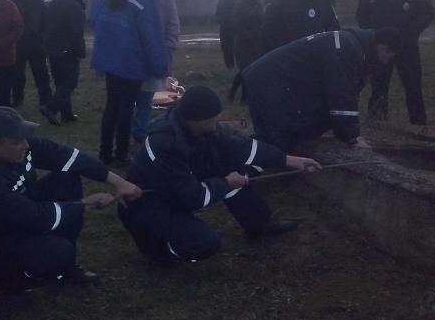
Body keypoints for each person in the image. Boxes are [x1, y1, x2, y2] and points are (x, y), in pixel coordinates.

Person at [118, 86, 321, 266]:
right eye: (215, 115)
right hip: (148, 202)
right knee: (205, 243)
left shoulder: (200, 130)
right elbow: (190, 197)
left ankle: (259, 225)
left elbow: (240, 147)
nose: (220, 118)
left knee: (233, 168)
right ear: (198, 119)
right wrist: (226, 183)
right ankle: (159, 252)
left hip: (181, 186)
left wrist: (288, 160)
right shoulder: (163, 145)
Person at [0, 107, 143, 292]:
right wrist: (86, 204)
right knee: (59, 250)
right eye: (18, 141)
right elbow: (37, 216)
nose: (26, 145)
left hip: (22, 214)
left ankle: (64, 268)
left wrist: (118, 182)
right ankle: (11, 279)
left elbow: (67, 156)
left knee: (67, 177)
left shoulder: (6, 145)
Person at [242, 27, 401, 151]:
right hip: (269, 79)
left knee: (292, 135)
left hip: (272, 77)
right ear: (383, 47)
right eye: (389, 56)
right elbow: (341, 94)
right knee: (276, 138)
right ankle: (243, 176)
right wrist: (352, 137)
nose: (387, 62)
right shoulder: (348, 49)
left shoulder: (350, 43)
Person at [91, 0, 169, 166]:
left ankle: (104, 153)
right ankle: (121, 155)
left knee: (112, 106)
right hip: (131, 62)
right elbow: (151, 37)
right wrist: (161, 68)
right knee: (126, 109)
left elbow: (94, 18)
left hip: (109, 60)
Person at [356, 0, 435, 125]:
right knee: (378, 87)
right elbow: (361, 15)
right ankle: (378, 124)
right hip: (380, 48)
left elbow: (427, 14)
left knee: (413, 86)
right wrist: (374, 37)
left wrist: (409, 33)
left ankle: (418, 125)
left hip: (406, 46)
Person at [131, 0, 181, 143]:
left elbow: (173, 24)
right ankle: (126, 129)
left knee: (146, 95)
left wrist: (168, 50)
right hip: (131, 54)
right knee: (128, 96)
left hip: (154, 53)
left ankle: (140, 132)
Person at [41, 0, 88, 125]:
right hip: (68, 51)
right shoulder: (75, 7)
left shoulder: (55, 3)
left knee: (60, 82)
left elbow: (45, 24)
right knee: (70, 82)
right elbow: (77, 32)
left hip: (52, 49)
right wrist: (79, 51)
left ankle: (66, 114)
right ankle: (51, 107)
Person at [9, 0, 53, 109]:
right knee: (17, 75)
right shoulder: (12, 1)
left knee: (41, 74)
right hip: (18, 45)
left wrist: (43, 38)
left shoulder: (38, 1)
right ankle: (17, 99)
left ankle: (46, 100)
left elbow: (46, 21)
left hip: (36, 45)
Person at [228, 0, 264, 102]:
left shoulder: (259, 4)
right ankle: (234, 93)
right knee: (244, 69)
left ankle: (245, 96)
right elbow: (235, 22)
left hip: (255, 42)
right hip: (242, 43)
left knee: (252, 68)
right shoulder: (240, 4)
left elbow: (261, 21)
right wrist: (245, 34)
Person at [216, 0, 240, 69]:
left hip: (236, 29)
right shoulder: (222, 0)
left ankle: (239, 65)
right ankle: (229, 66)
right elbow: (218, 13)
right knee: (226, 48)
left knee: (237, 47)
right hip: (225, 29)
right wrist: (221, 21)